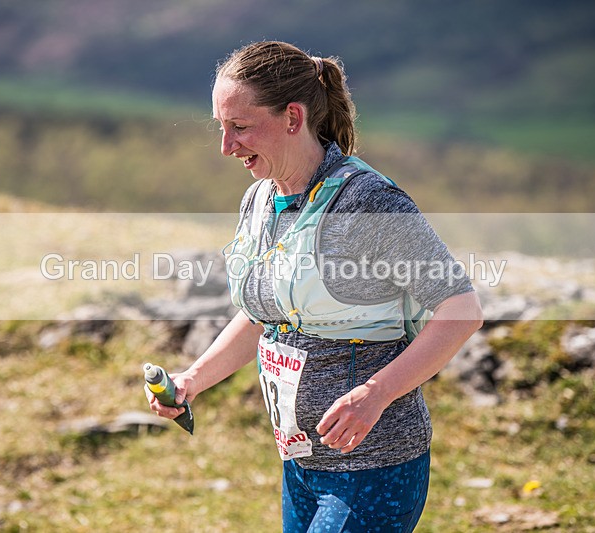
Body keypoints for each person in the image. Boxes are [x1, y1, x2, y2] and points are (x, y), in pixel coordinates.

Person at [147, 41, 483, 532]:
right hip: (300, 463)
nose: (227, 146)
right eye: (221, 127)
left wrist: (375, 393)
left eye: (240, 127)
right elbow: (268, 314)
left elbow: (462, 310)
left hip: (374, 465)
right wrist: (192, 380)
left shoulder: (367, 202)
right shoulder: (261, 198)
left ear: (292, 117)